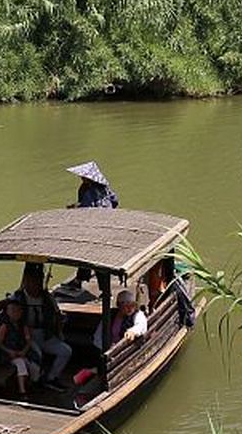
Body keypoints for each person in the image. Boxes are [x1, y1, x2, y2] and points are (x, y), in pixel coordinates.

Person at [11, 263, 73, 386]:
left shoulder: (47, 298)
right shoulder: (18, 298)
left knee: (66, 351)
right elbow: (8, 314)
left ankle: (51, 378)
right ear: (26, 282)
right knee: (36, 355)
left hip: (45, 335)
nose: (36, 286)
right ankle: (35, 382)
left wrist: (59, 328)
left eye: (38, 282)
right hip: (25, 337)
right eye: (33, 282)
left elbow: (57, 314)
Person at [62, 161, 118, 292]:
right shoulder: (105, 187)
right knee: (89, 254)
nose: (81, 178)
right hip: (109, 223)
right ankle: (80, 280)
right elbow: (115, 201)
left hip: (95, 226)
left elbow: (86, 210)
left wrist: (74, 210)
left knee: (93, 257)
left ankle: (105, 291)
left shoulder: (86, 190)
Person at [0, 296, 36, 397]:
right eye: (12, 311)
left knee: (32, 365)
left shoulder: (23, 325)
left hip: (20, 351)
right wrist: (10, 352)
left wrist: (24, 351)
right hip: (6, 354)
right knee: (21, 364)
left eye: (17, 311)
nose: (15, 313)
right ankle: (22, 391)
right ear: (7, 312)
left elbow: (28, 340)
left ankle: (30, 384)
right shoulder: (4, 326)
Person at [95, 287, 147, 351]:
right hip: (111, 350)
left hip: (127, 350)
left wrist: (133, 331)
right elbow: (98, 336)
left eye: (132, 305)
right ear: (119, 306)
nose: (130, 308)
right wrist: (106, 348)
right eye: (126, 306)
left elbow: (141, 325)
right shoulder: (111, 315)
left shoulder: (137, 314)